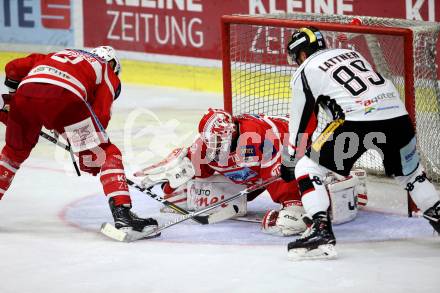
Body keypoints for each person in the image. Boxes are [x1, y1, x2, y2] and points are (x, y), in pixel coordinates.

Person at [281, 27, 440, 260]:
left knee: (308, 167)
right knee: (411, 174)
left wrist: (290, 161)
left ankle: (320, 230)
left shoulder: (305, 70)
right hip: (399, 119)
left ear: (301, 55)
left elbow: (301, 124)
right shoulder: (352, 54)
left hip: (357, 123)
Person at [0, 46, 158, 233]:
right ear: (113, 64)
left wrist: (11, 99)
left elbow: (14, 67)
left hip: (24, 96)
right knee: (108, 153)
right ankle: (123, 217)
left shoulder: (58, 54)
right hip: (66, 99)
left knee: (13, 154)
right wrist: (88, 152)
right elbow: (100, 115)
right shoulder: (106, 68)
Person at [135, 108, 366, 236]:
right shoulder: (209, 143)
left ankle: (336, 181)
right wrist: (170, 179)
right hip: (252, 174)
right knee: (185, 196)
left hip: (290, 151)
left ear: (231, 133)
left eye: (219, 143)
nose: (214, 149)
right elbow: (194, 165)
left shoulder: (258, 138)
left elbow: (280, 171)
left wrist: (291, 201)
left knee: (290, 217)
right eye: (211, 143)